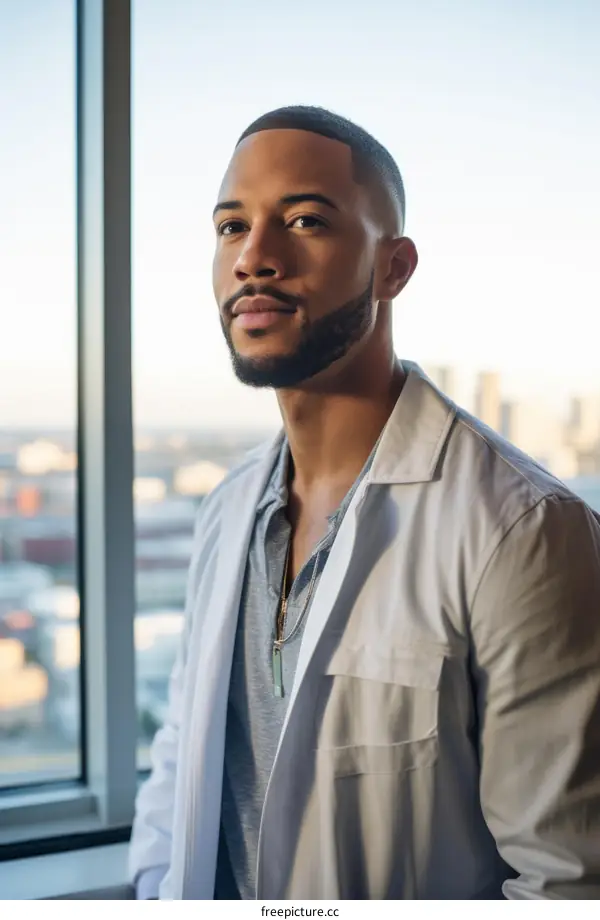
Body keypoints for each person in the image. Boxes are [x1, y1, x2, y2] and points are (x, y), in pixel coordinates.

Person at [129, 105, 600, 900]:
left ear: (394, 268)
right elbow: (182, 760)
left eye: (305, 220)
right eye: (230, 226)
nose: (254, 257)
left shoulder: (522, 530)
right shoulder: (227, 509)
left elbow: (568, 884)